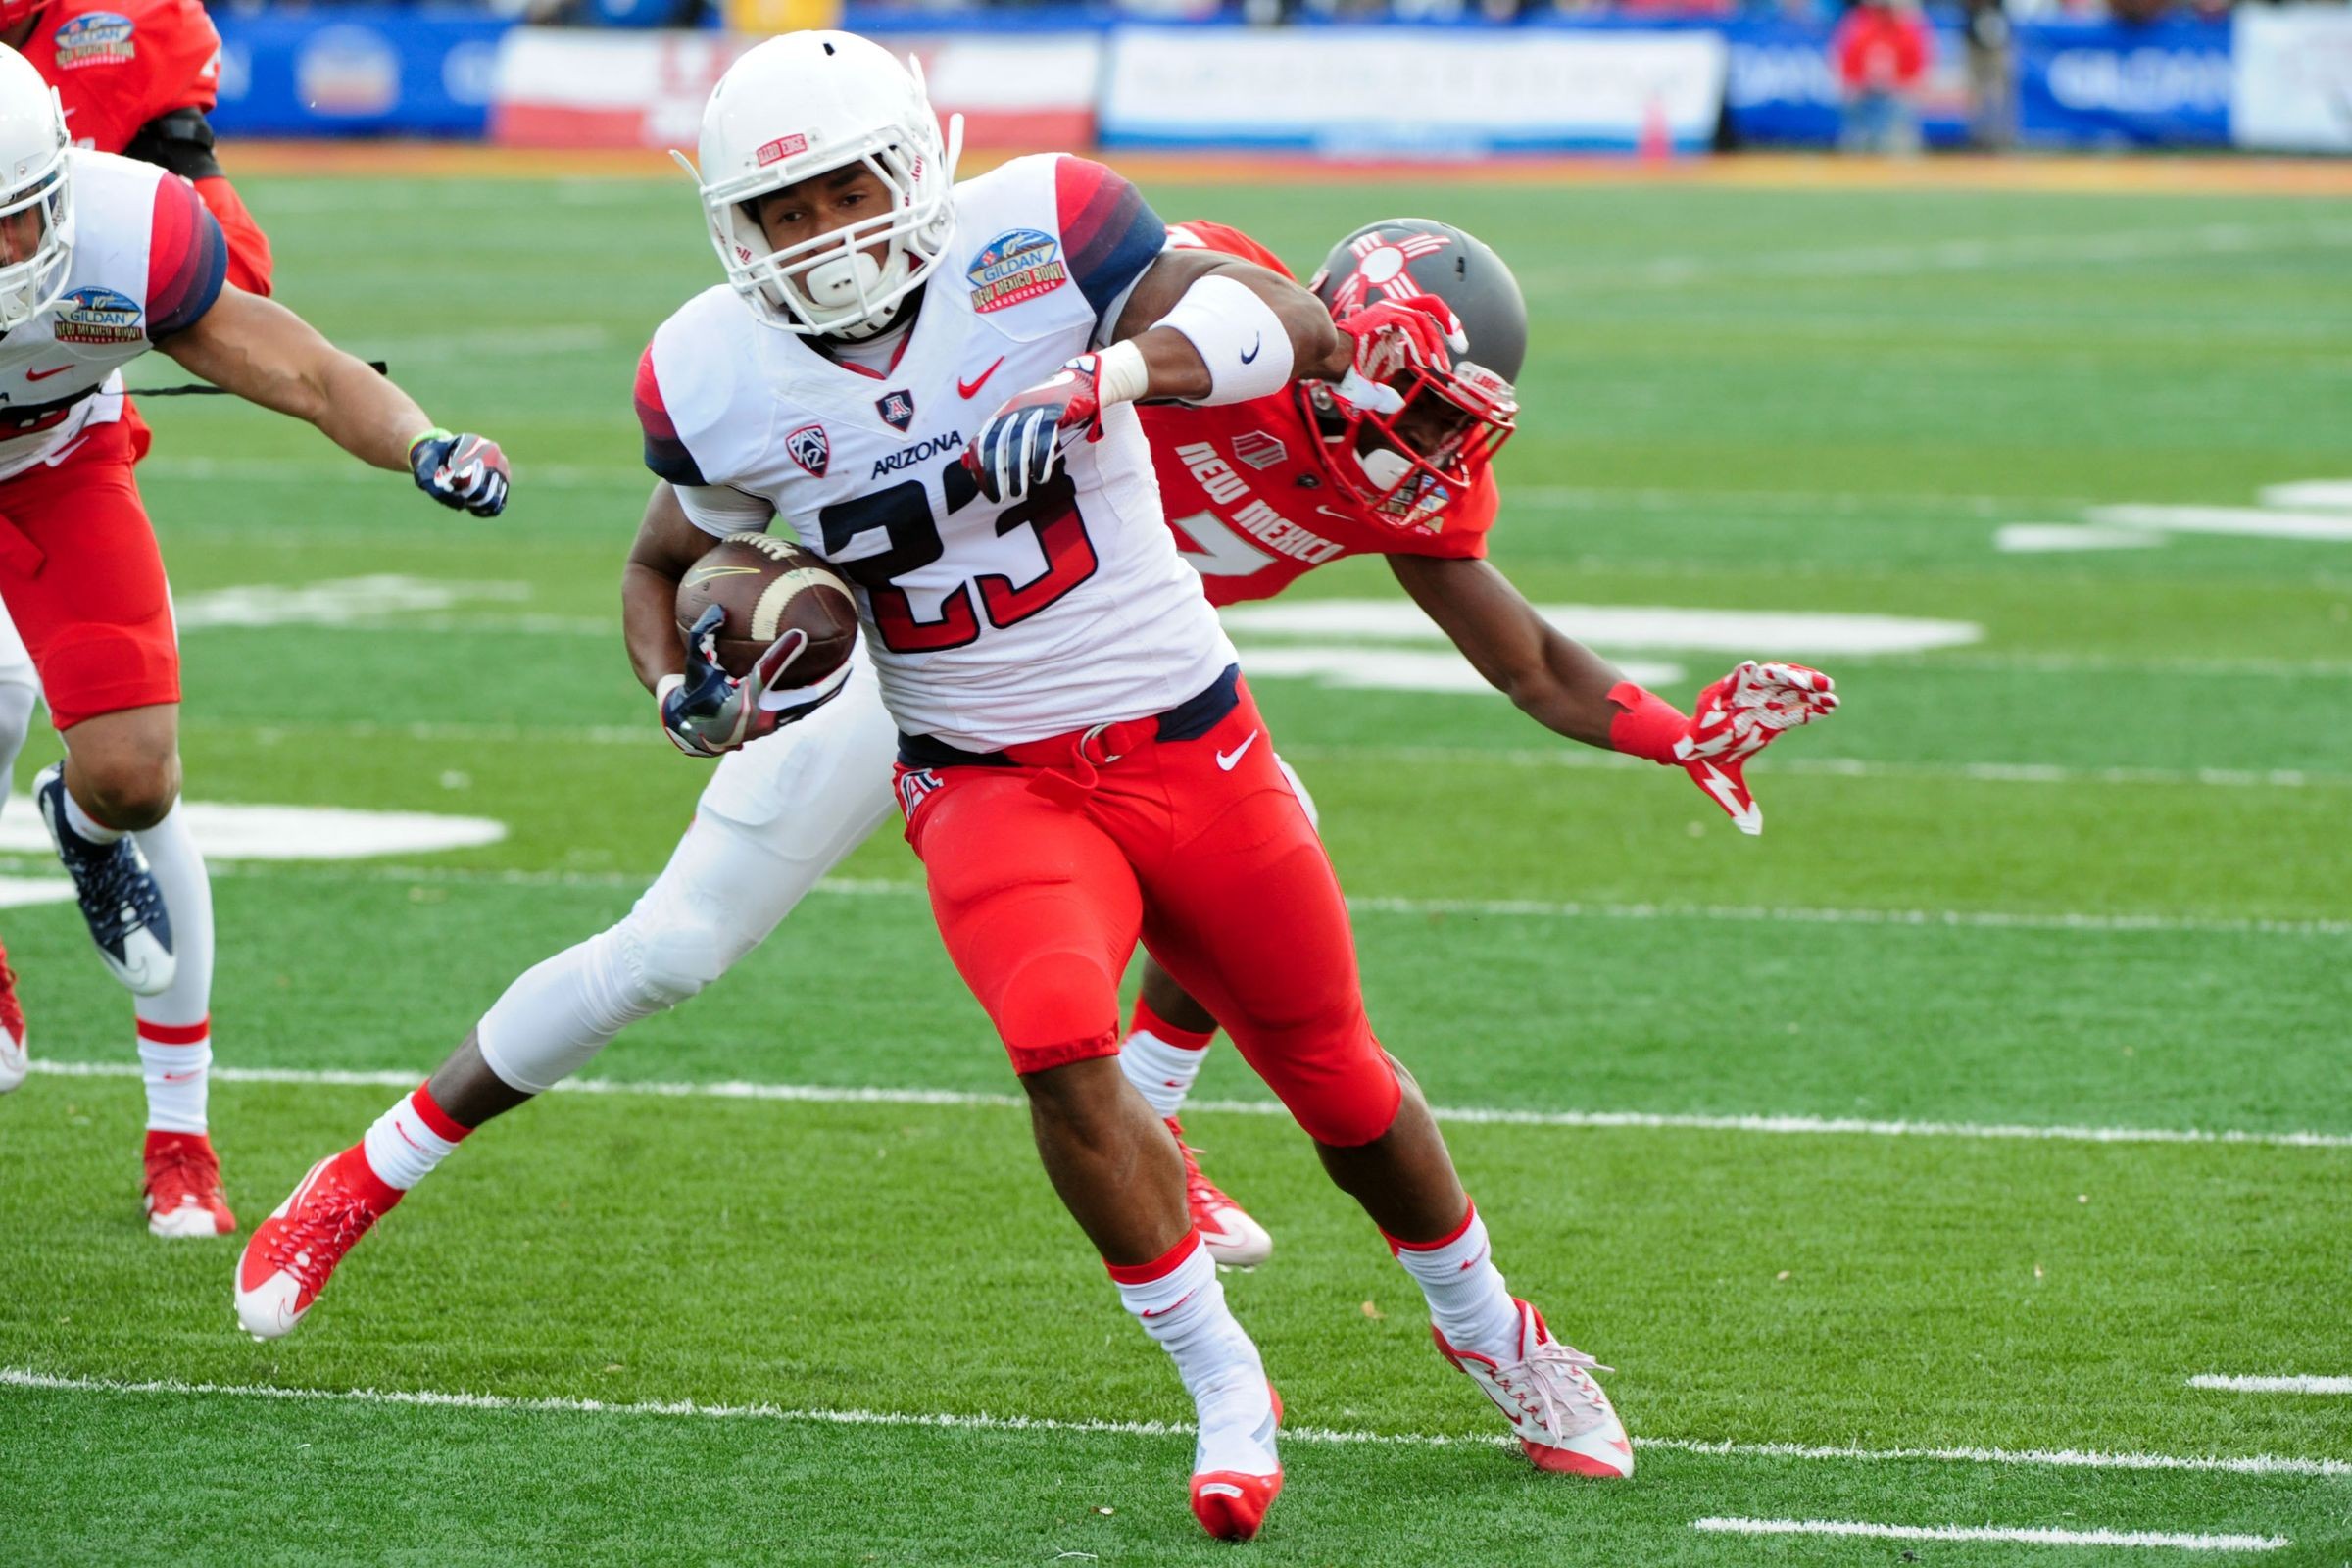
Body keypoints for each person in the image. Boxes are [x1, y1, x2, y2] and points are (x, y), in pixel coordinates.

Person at [238, 31, 1836, 1541]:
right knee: (675, 951)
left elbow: (1339, 419)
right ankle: (363, 1176)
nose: (1412, 436)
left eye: (853, 191)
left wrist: (1665, 728)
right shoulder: (735, 365)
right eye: (788, 208)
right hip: (910, 686)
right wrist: (689, 683)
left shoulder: (1090, 273)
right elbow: (683, 552)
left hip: (1147, 692)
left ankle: (1233, 1179)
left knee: (1305, 1008)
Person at [0, 44, 511, 1238]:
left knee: (134, 776)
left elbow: (309, 370)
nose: (14, 255)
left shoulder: (131, 234)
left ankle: (82, 844)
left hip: (60, 464)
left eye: (24, 220)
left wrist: (422, 442)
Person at [0, 0, 277, 1200]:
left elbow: (233, 280)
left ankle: (181, 1138)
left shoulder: (131, 26)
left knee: (137, 772)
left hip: (58, 445)